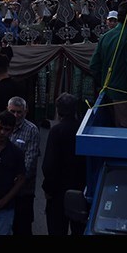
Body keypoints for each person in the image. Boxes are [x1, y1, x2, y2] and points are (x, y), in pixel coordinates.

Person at [90, 1, 127, 128]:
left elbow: (94, 66)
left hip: (106, 94)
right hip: (124, 96)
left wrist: (105, 83)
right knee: (125, 133)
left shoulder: (105, 37)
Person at [41, 92, 85, 236]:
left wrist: (48, 189)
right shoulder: (82, 130)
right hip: (79, 191)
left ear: (58, 110)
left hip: (58, 193)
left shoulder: (57, 131)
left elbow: (49, 164)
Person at [7, 96, 40, 235]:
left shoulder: (31, 130)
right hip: (4, 192)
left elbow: (30, 162)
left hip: (23, 192)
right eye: (12, 111)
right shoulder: (2, 127)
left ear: (25, 112)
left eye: (19, 112)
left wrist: (14, 181)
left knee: (23, 228)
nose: (16, 115)